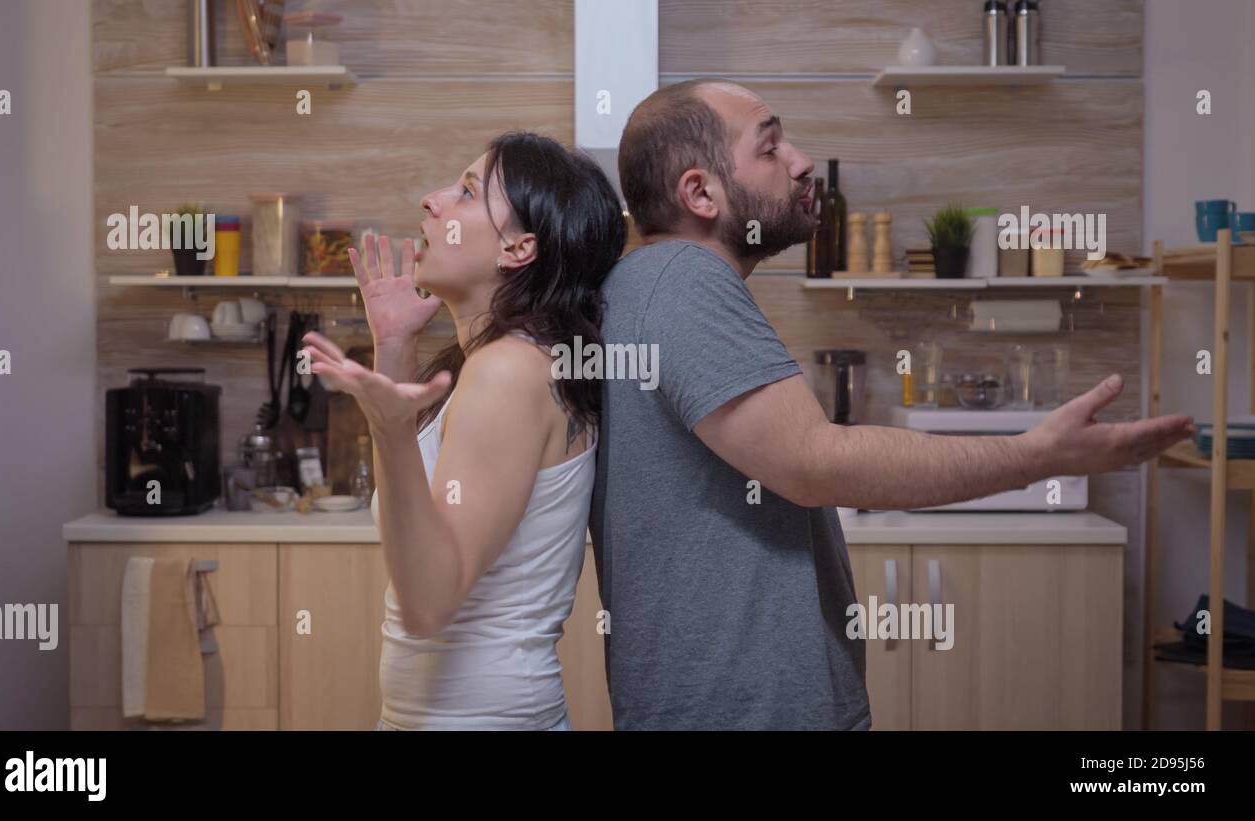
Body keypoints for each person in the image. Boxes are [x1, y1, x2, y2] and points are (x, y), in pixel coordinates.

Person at [587, 79, 1196, 730]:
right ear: (699, 192)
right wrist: (1037, 455)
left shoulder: (646, 284)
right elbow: (814, 460)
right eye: (770, 148)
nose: (800, 161)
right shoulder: (684, 280)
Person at [302, 131, 627, 730]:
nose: (432, 200)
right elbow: (422, 525)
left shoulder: (508, 371)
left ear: (520, 246)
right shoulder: (493, 361)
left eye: (468, 191)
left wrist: (391, 429)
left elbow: (428, 601)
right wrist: (394, 345)